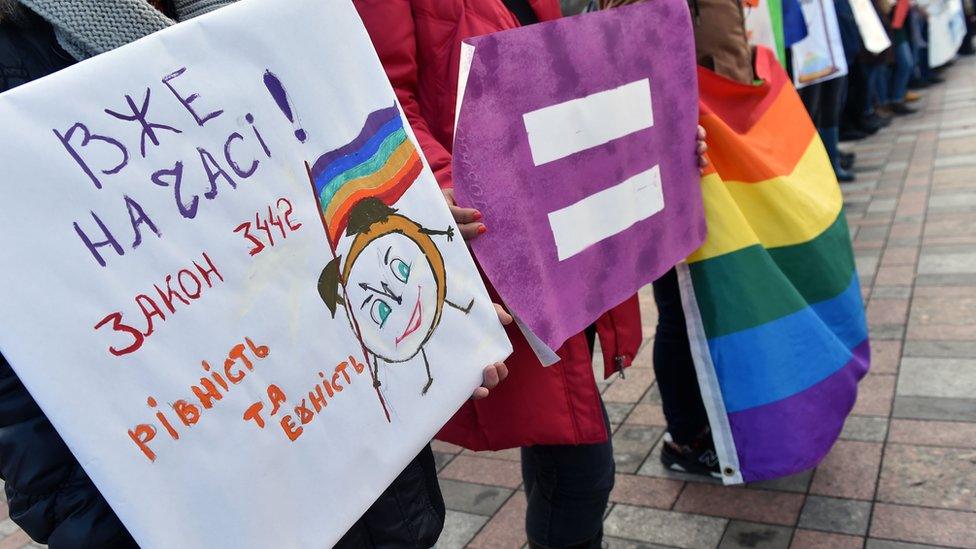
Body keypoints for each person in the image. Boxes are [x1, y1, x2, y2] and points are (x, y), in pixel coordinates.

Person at [0, 2, 509, 547]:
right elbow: (46, 460)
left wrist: (430, 278)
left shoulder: (276, 16)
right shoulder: (18, 89)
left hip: (382, 504)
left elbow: (310, 198)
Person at [354, 1, 706, 546]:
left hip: (562, 230)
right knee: (576, 453)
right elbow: (375, 93)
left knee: (565, 435)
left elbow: (569, 78)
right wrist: (449, 184)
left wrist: (664, 131)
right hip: (505, 240)